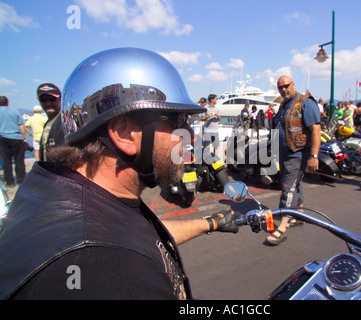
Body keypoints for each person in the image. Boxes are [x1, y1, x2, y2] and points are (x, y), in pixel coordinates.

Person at [0, 48, 239, 300]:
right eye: (178, 121)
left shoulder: (59, 192)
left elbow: (139, 238)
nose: (189, 135)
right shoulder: (112, 273)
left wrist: (209, 223)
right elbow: (119, 250)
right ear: (125, 133)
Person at [265, 75, 321, 246]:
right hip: (285, 154)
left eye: (286, 86)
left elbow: (316, 130)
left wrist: (314, 156)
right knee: (295, 185)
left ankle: (282, 226)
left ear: (293, 84)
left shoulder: (306, 102)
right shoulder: (284, 104)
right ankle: (299, 215)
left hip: (298, 154)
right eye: (280, 87)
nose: (283, 90)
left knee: (287, 189)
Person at [0, 96, 28, 187]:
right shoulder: (15, 111)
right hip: (16, 137)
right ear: (7, 103)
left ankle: (10, 182)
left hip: (2, 138)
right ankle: (21, 181)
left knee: (6, 161)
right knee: (19, 160)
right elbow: (21, 127)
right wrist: (24, 138)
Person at [36, 83, 65, 161]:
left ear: (60, 99)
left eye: (52, 99)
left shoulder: (65, 122)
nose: (48, 103)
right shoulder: (48, 123)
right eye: (43, 100)